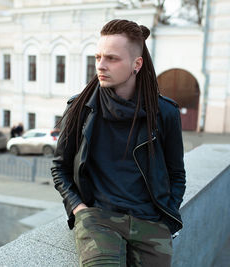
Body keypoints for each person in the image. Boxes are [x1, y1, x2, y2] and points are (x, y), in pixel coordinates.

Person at [52, 19, 186, 266]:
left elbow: (176, 173)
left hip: (150, 221)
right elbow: (59, 168)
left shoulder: (164, 113)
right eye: (98, 57)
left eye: (112, 58)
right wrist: (78, 208)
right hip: (98, 217)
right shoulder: (80, 109)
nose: (100, 66)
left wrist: (166, 220)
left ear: (137, 64)